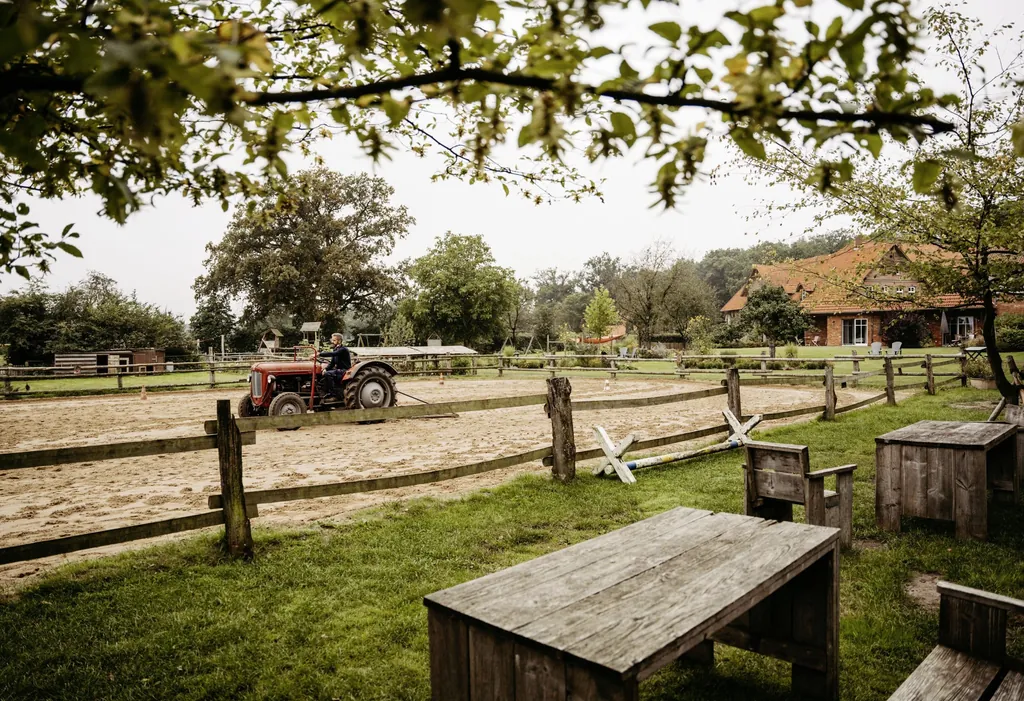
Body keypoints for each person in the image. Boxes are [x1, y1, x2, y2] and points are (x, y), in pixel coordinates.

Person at [320, 333, 352, 398]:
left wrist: (319, 354)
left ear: (339, 341)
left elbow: (334, 353)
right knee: (324, 373)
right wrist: (325, 369)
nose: (332, 341)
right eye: (332, 340)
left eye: (334, 340)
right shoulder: (336, 349)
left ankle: (333, 394)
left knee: (328, 374)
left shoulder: (343, 349)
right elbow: (332, 363)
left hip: (344, 370)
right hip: (338, 370)